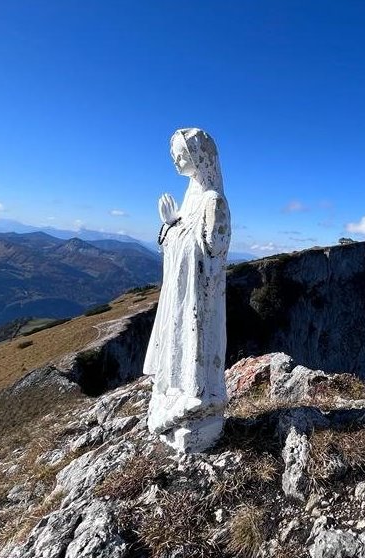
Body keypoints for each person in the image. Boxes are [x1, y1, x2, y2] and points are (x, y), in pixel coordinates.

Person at [143, 128, 231, 452]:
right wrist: (170, 225)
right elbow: (177, 246)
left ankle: (199, 399)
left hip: (200, 300)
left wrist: (176, 229)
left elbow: (214, 250)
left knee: (195, 345)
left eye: (181, 154)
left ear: (200, 156)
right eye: (174, 155)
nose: (176, 160)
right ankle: (178, 395)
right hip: (182, 297)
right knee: (177, 341)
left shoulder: (213, 201)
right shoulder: (190, 199)